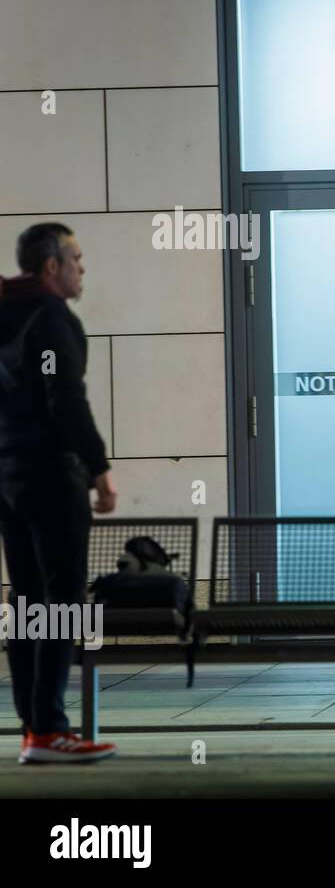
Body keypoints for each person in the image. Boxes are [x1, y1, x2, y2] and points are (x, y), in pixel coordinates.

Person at [0, 223, 117, 763]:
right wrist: (98, 468)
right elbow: (65, 398)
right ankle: (49, 729)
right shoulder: (50, 318)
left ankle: (33, 729)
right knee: (64, 604)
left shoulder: (6, 313)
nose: (83, 267)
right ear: (52, 266)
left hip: (9, 482)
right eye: (77, 256)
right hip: (50, 478)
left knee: (26, 605)